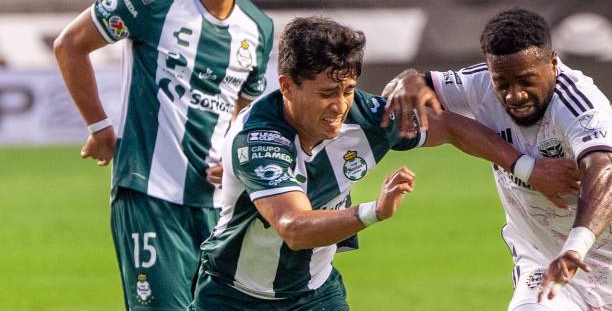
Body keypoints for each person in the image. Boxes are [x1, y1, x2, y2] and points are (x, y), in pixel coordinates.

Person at [189, 16, 545, 310]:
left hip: (315, 295)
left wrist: (527, 168)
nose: (340, 106)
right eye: (327, 93)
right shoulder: (258, 138)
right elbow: (294, 228)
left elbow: (449, 126)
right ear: (286, 86)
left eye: (346, 90)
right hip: (234, 296)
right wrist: (374, 211)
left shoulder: (368, 117)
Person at [53, 0, 272, 310]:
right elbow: (70, 45)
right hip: (149, 196)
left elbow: (246, 108)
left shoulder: (258, 28)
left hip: (217, 208)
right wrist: (99, 128)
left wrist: (234, 156)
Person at [386, 7, 612, 310]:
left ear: (553, 63)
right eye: (502, 83)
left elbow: (607, 173)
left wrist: (574, 250)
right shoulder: (478, 84)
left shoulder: (580, 103)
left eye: (526, 80)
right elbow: (416, 93)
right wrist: (408, 81)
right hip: (541, 261)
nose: (514, 95)